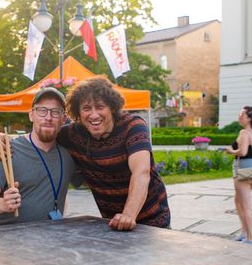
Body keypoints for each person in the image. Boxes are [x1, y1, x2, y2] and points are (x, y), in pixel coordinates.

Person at [57, 77, 171, 231]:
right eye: (86, 108)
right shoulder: (72, 134)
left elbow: (141, 173)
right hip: (113, 223)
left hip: (153, 222)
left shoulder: (133, 126)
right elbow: (42, 138)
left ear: (112, 107)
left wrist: (128, 215)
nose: (94, 115)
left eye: (100, 107)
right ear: (78, 112)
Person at [0, 88, 79, 226]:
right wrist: (3, 204)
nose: (48, 117)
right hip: (8, 235)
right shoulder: (8, 149)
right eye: (41, 110)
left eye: (55, 112)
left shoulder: (69, 155)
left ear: (63, 119)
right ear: (31, 115)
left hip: (51, 235)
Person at [224, 105, 252, 244]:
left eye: (242, 115)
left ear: (249, 118)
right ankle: (244, 231)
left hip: (243, 170)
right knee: (238, 201)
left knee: (245, 205)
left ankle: (249, 238)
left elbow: (242, 152)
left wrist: (230, 151)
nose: (239, 117)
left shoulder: (244, 133)